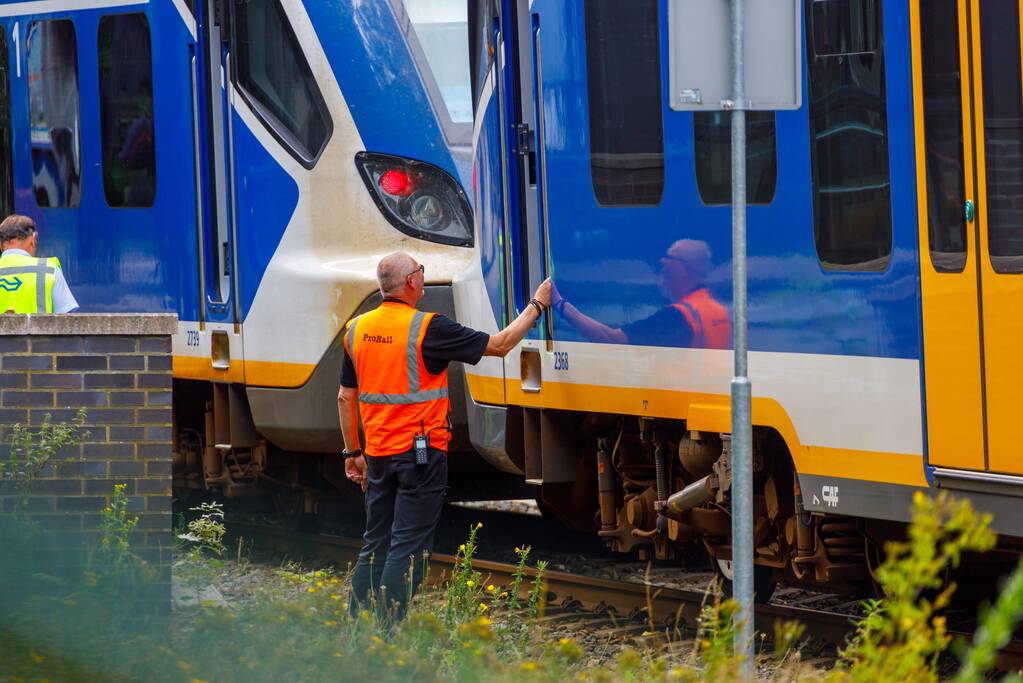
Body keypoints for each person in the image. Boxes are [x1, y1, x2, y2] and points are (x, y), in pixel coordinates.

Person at [338, 252, 551, 620]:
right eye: (420, 271)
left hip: (377, 456)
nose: (422, 276)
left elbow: (345, 396)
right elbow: (499, 345)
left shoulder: (357, 329)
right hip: (421, 457)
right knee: (407, 548)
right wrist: (536, 305)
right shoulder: (428, 328)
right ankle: (387, 634)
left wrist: (352, 453)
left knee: (375, 543)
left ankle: (356, 628)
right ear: (410, 282)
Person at [552, 239, 730, 349]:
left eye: (667, 265)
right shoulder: (717, 310)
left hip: (677, 403)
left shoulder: (677, 317)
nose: (662, 271)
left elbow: (612, 340)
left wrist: (559, 304)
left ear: (684, 269)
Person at [0, 214, 78, 314]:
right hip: (39, 330)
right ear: (32, 239)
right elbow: (67, 318)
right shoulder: (48, 270)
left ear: (1, 246)